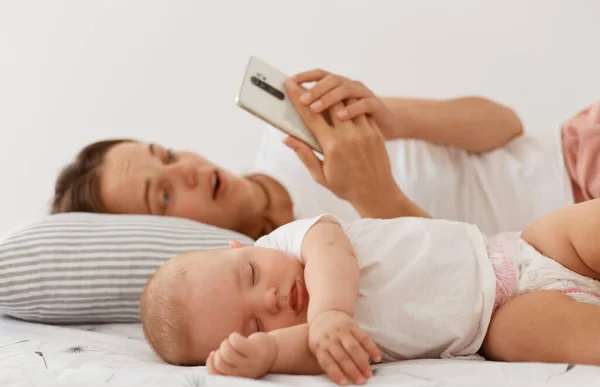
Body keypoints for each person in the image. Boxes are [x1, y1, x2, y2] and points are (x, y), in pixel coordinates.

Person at [50, 68, 597, 236]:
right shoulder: (292, 273)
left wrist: (392, 118)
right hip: (568, 247)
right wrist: (374, 194)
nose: (188, 169)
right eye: (163, 193)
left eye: (166, 153)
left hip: (574, 153)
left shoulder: (287, 136)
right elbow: (464, 281)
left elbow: (505, 124)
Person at [140, 196, 600, 386]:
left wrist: (329, 312)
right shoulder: (322, 342)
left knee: (582, 227)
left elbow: (331, 251)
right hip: (496, 323)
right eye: (257, 323)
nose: (272, 299)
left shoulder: (292, 241)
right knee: (540, 335)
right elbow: (304, 349)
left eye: (252, 276)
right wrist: (266, 355)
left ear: (243, 247)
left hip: (521, 249)